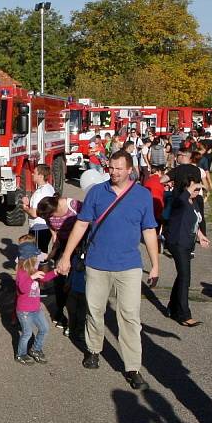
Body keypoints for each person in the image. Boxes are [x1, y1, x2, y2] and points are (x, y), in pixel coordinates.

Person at [56, 150, 160, 390]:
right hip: (97, 263)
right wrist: (66, 256)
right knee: (94, 310)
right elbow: (81, 224)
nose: (113, 172)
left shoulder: (142, 196)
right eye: (111, 168)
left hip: (129, 266)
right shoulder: (96, 193)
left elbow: (149, 230)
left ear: (130, 169)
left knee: (130, 317)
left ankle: (133, 367)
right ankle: (93, 350)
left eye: (119, 169)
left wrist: (155, 264)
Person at [163, 173, 210, 326]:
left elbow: (195, 220)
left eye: (198, 188)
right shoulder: (179, 201)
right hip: (177, 243)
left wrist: (200, 235)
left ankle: (172, 306)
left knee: (182, 276)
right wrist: (193, 187)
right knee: (185, 277)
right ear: (185, 188)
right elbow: (182, 199)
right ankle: (183, 315)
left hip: (188, 243)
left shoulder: (194, 202)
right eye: (193, 188)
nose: (196, 191)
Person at [38, 195, 84, 340]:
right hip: (64, 246)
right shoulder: (48, 215)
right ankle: (59, 312)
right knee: (59, 281)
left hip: (80, 246)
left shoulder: (73, 206)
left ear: (55, 209)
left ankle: (77, 323)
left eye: (49, 216)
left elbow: (88, 222)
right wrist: (51, 255)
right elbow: (56, 237)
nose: (49, 219)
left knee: (74, 284)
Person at [14, 241, 58, 365]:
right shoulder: (21, 273)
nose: (37, 258)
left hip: (36, 308)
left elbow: (43, 277)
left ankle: (35, 349)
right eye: (35, 257)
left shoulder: (33, 270)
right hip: (25, 311)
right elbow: (22, 288)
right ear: (29, 259)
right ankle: (21, 354)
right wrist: (32, 277)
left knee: (44, 329)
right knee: (27, 333)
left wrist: (55, 272)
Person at [20, 164, 55, 254]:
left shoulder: (40, 193)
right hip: (46, 227)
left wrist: (25, 208)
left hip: (38, 227)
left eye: (34, 173)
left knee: (35, 256)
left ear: (41, 176)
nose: (32, 174)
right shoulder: (50, 188)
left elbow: (34, 213)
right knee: (42, 254)